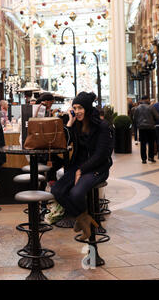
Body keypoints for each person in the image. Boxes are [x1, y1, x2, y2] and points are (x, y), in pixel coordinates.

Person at [51, 92, 114, 240]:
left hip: (97, 168)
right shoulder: (77, 125)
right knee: (57, 190)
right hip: (78, 167)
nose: (77, 111)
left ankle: (87, 225)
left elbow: (101, 155)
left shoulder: (103, 127)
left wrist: (82, 170)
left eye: (80, 108)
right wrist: (70, 123)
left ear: (86, 108)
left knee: (76, 193)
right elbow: (64, 143)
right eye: (74, 108)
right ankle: (85, 220)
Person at [133, 95, 159, 163]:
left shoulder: (137, 108)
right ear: (147, 99)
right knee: (151, 143)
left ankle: (144, 159)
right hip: (151, 127)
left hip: (142, 128)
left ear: (142, 100)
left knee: (143, 144)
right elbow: (157, 117)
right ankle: (151, 157)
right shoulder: (151, 107)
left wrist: (139, 123)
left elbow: (134, 118)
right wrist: (153, 121)